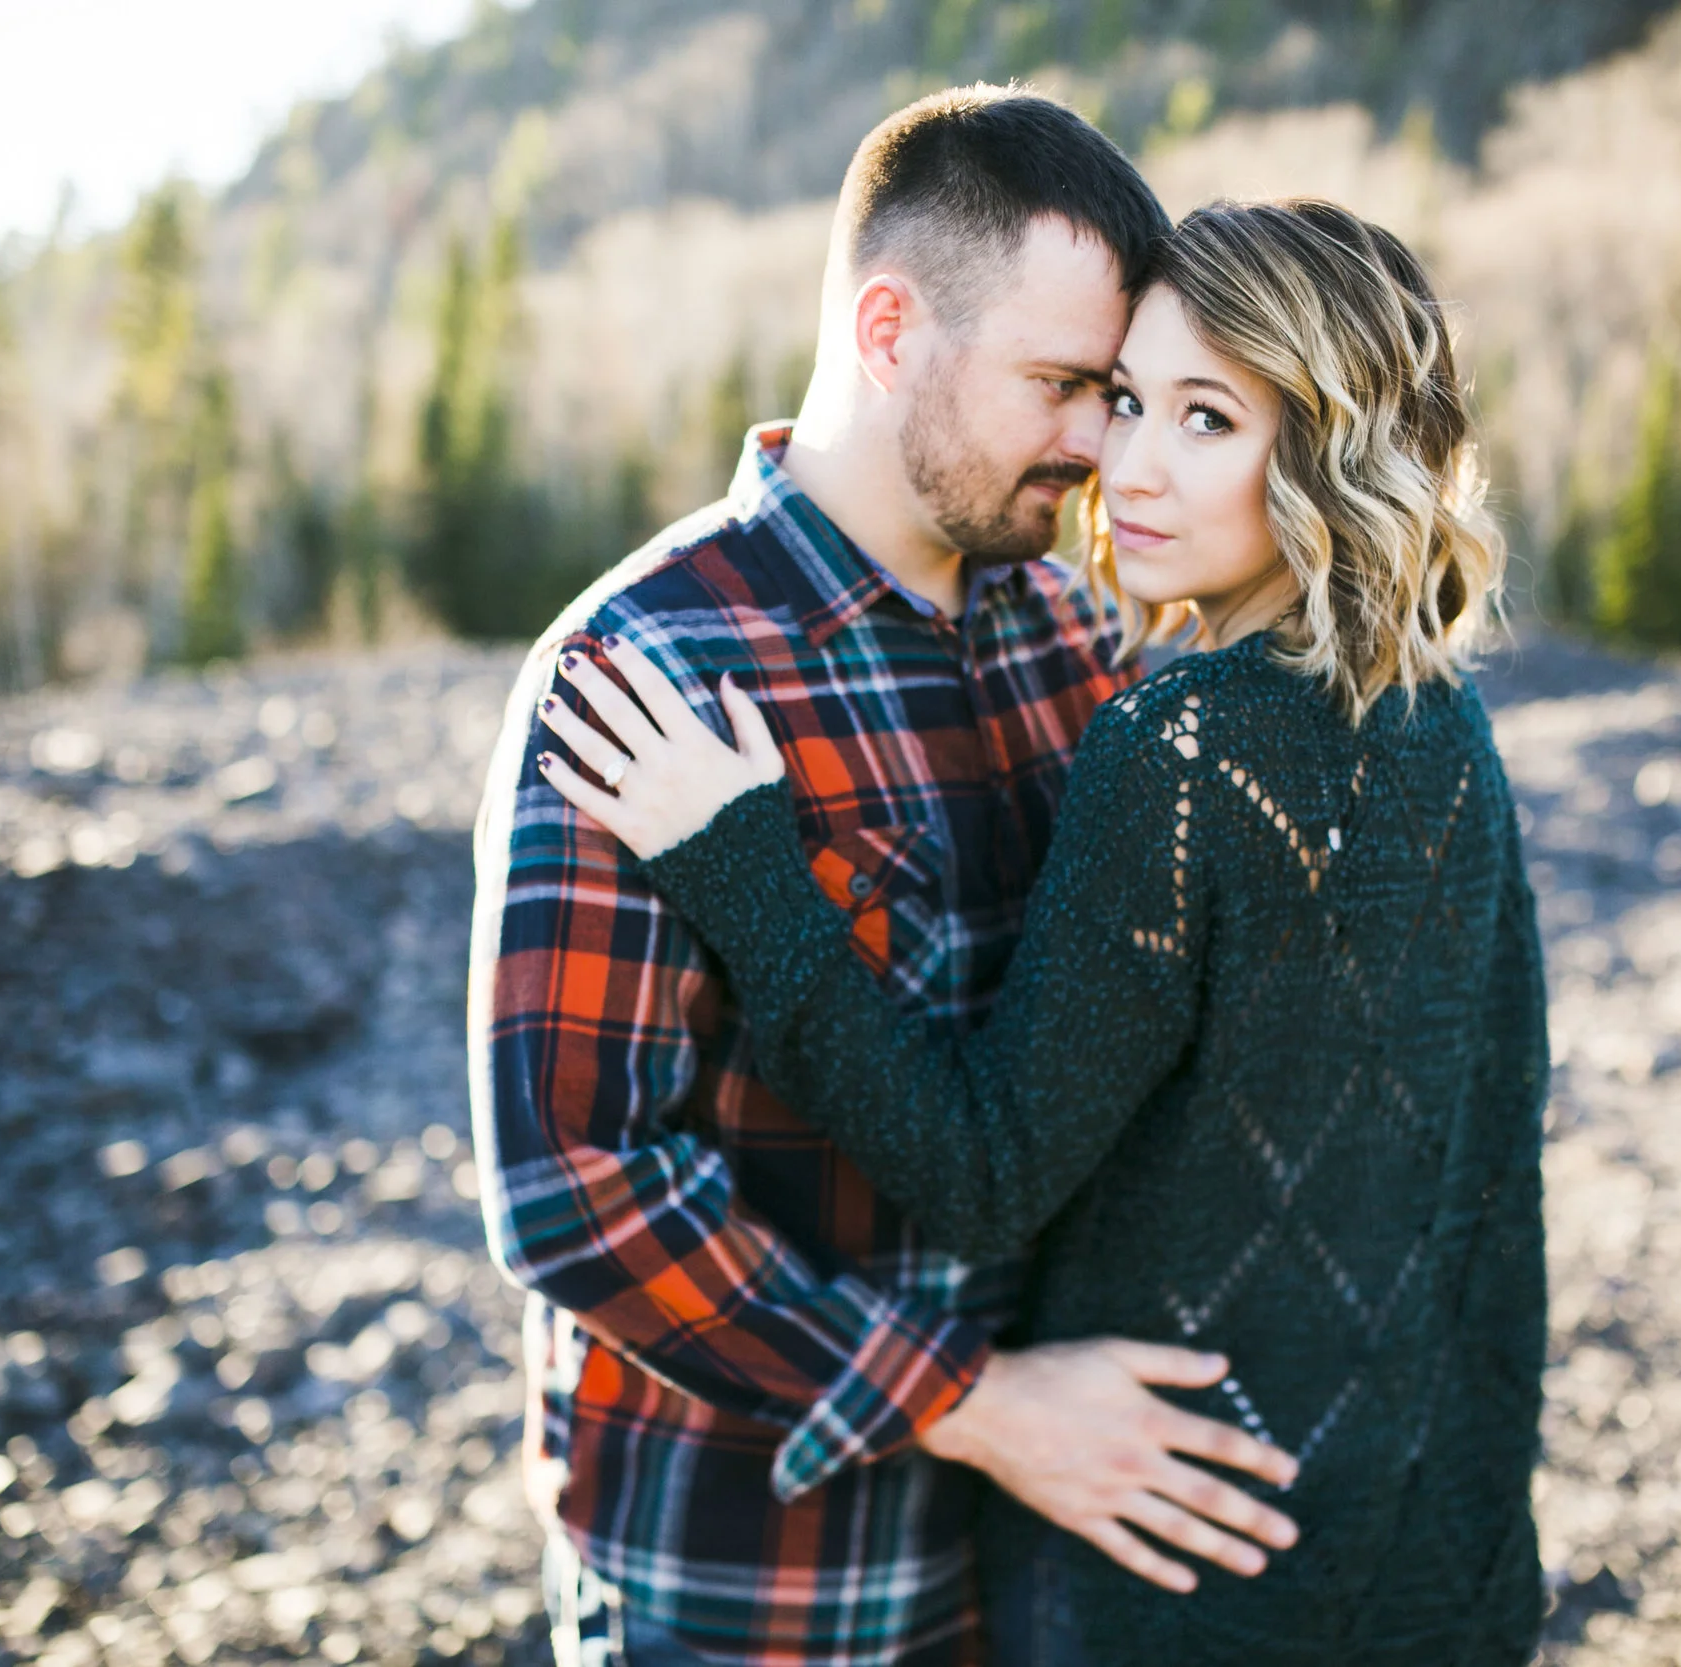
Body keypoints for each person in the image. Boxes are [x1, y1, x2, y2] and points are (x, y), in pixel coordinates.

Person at [539, 199, 1551, 1666]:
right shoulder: (1442, 721)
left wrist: (744, 863)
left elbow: (984, 1170)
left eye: (1206, 419)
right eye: (1122, 398)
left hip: (1170, 1572)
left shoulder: (1184, 744)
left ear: (1333, 449)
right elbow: (1478, 1163)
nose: (1123, 465)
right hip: (1433, 1560)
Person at [468, 91, 1299, 1667]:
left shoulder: (1077, 640)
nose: (1092, 443)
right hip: (757, 1573)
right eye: (1059, 385)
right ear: (890, 326)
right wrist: (979, 1405)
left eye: (1113, 393)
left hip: (1053, 1540)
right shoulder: (647, 664)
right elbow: (571, 1178)